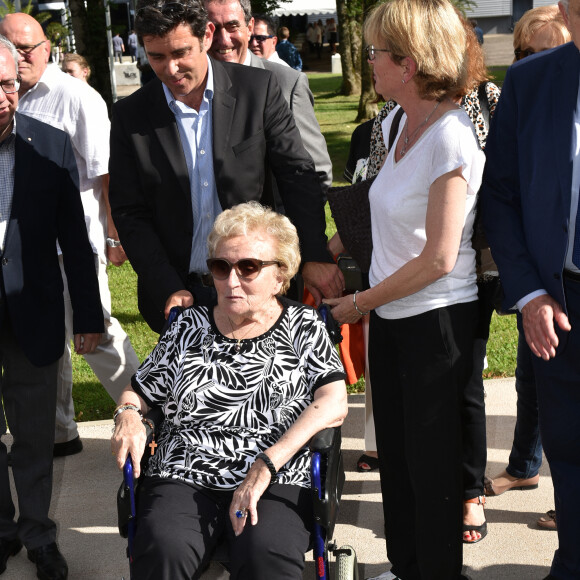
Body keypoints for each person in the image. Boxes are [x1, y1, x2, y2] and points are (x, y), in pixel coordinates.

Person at [325, 0, 484, 578]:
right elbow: (378, 214)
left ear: (409, 63)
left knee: (433, 467)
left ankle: (436, 570)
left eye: (375, 53)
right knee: (395, 453)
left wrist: (360, 301)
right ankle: (406, 564)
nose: (368, 62)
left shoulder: (452, 137)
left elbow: (440, 258)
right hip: (390, 315)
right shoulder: (393, 123)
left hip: (436, 322)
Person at [111, 201, 348, 580]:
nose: (231, 281)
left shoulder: (305, 327)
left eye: (248, 267)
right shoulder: (187, 326)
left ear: (280, 274)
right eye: (221, 268)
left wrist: (267, 462)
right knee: (163, 547)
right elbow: (139, 390)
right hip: (184, 471)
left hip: (278, 473)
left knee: (264, 553)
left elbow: (333, 403)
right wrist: (127, 416)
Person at [109, 0, 342, 335]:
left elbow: (297, 177)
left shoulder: (257, 90)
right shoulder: (130, 116)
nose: (171, 68)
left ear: (206, 35)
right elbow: (130, 212)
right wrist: (166, 286)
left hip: (258, 288)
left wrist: (314, 255)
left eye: (181, 53)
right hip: (180, 295)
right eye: (157, 57)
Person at [0, 13, 140, 457]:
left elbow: (106, 175)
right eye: (12, 48)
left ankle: (151, 413)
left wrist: (115, 238)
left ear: (47, 48)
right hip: (24, 251)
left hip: (72, 246)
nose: (22, 58)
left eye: (29, 48)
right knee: (44, 345)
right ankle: (59, 433)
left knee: (96, 335)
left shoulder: (77, 96)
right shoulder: (9, 94)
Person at [482, 0, 580, 575]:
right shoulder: (531, 79)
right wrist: (527, 293)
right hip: (559, 300)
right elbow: (501, 195)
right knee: (567, 450)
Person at [0, 36, 104, 580]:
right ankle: (1, 530)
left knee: (36, 431)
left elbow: (73, 233)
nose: (3, 97)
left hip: (34, 309)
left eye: (9, 84)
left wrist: (87, 314)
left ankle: (39, 533)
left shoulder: (50, 142)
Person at [205, 0, 332, 194]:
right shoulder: (191, 89)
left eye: (232, 27)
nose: (223, 40)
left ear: (249, 27)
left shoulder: (287, 83)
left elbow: (316, 172)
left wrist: (286, 223)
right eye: (214, 29)